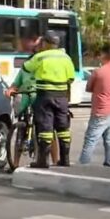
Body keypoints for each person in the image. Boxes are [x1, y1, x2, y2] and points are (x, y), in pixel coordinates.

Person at [22, 30, 75, 168]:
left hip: (45, 96)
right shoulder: (66, 58)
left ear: (45, 43)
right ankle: (65, 159)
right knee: (63, 128)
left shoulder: (40, 57)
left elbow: (26, 68)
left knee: (45, 128)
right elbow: (71, 78)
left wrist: (36, 49)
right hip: (62, 97)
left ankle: (43, 161)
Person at [5, 34, 60, 165]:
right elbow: (16, 83)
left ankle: (56, 161)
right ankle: (15, 164)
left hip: (42, 100)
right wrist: (10, 90)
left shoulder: (45, 66)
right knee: (20, 132)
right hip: (26, 101)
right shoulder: (25, 68)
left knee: (49, 131)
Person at [79, 45, 110, 167]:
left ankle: (83, 164)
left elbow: (88, 88)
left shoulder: (98, 72)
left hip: (100, 110)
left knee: (90, 139)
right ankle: (109, 163)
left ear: (104, 56)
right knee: (109, 140)